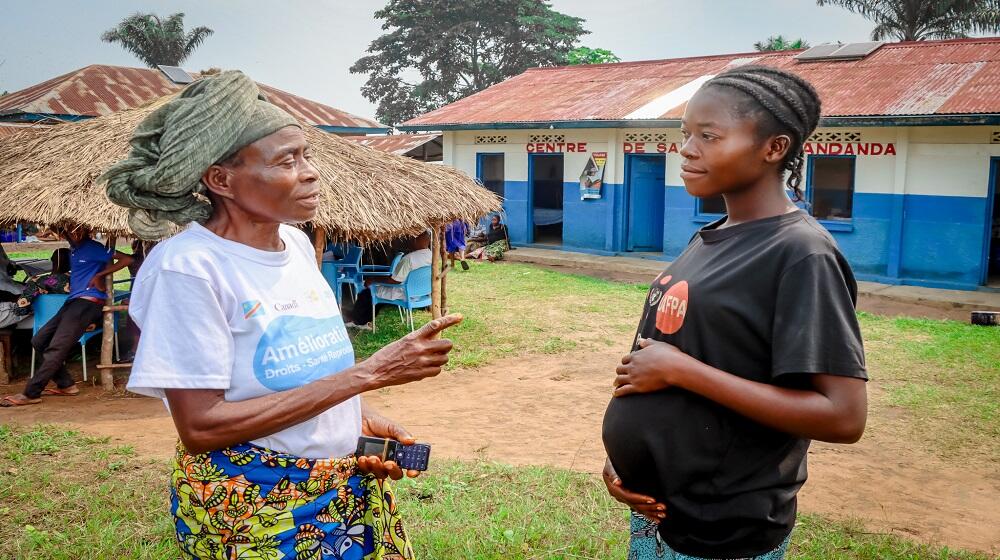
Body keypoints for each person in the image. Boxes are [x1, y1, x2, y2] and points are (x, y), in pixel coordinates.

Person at [99, 71, 460, 560]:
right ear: (220, 180)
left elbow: (304, 373)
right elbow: (201, 427)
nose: (311, 173)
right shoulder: (188, 269)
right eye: (287, 161)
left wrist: (358, 421)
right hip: (255, 503)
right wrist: (368, 375)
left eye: (306, 155)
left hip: (340, 490)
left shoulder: (293, 243)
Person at [601, 66, 868, 560]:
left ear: (774, 148)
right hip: (658, 512)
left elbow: (843, 417)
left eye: (709, 135)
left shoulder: (802, 254)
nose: (687, 148)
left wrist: (682, 372)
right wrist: (623, 463)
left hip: (723, 531)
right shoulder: (710, 237)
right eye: (685, 134)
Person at [1, 230, 132, 406]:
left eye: (77, 230)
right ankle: (66, 384)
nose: (72, 234)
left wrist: (100, 276)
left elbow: (128, 260)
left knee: (57, 347)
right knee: (39, 341)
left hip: (87, 303)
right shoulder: (75, 249)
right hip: (73, 302)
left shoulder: (93, 247)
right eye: (68, 231)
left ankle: (31, 393)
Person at [345, 232, 433, 330]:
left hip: (404, 293)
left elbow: (395, 281)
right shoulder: (432, 256)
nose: (411, 241)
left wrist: (373, 280)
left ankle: (356, 321)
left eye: (413, 239)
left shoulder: (409, 259)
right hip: (420, 294)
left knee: (368, 292)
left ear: (416, 241)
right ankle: (362, 319)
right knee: (377, 291)